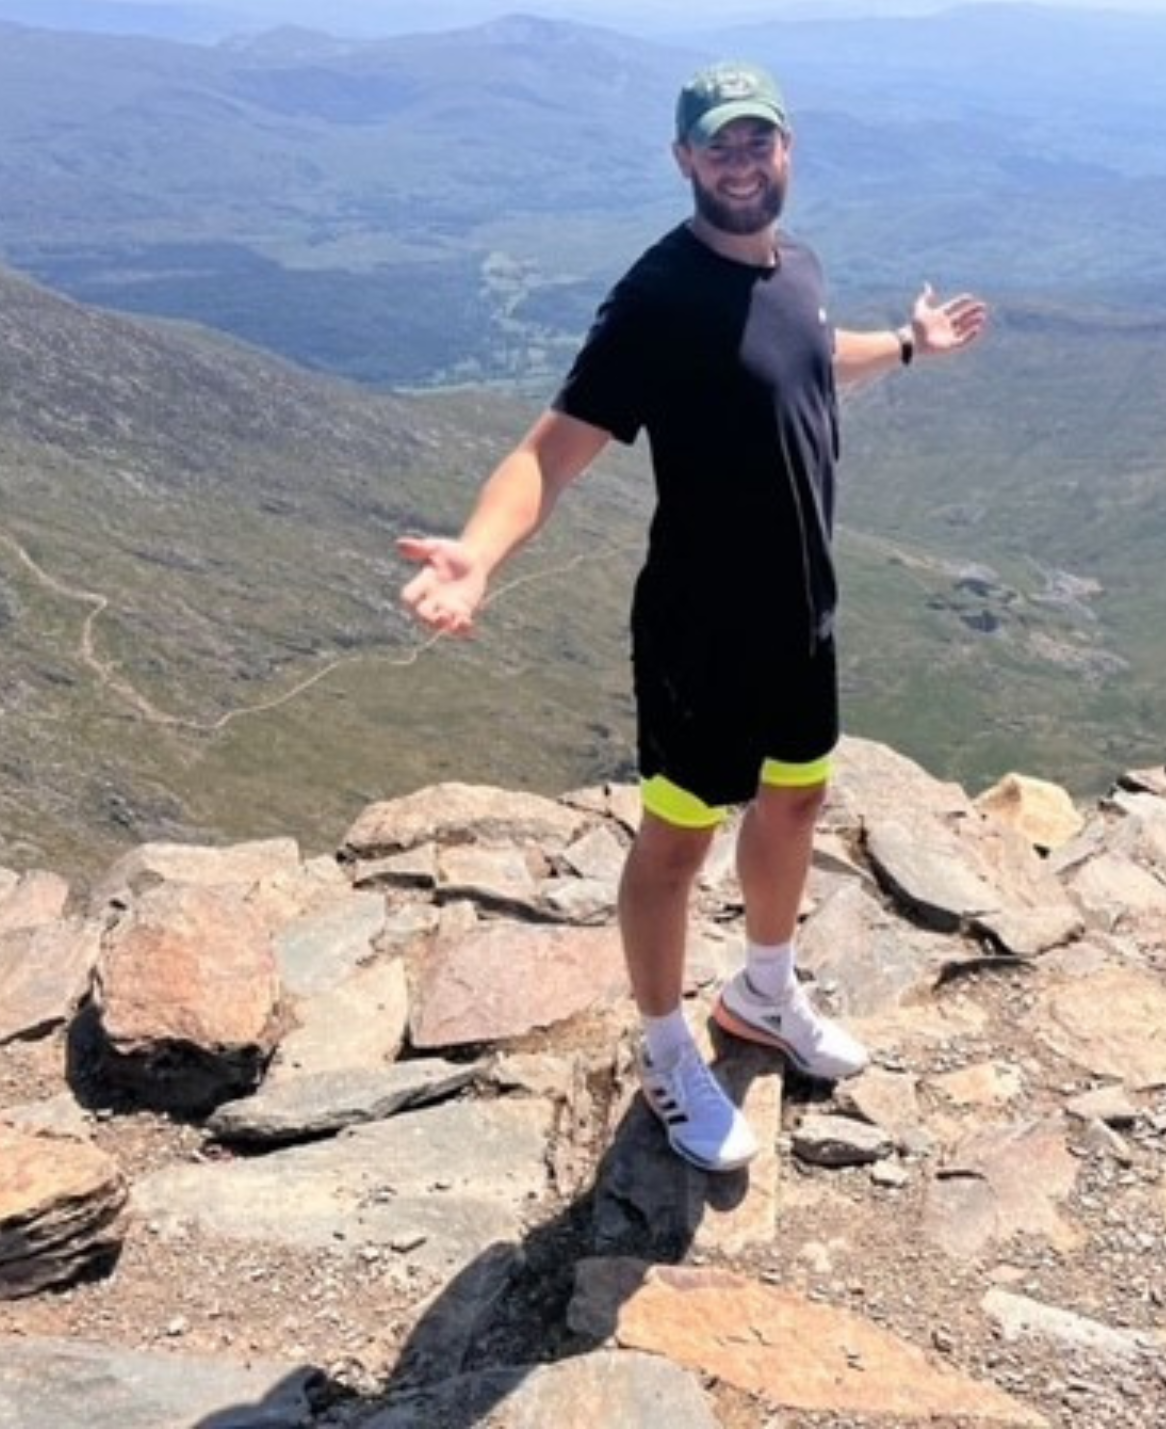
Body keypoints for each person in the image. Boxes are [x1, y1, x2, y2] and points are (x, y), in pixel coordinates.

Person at [397, 61, 988, 1173]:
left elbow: (812, 352)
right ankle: (668, 1049)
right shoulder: (660, 297)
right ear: (683, 160)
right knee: (676, 843)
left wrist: (907, 346)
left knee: (797, 799)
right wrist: (477, 552)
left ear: (787, 149)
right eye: (718, 143)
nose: (740, 159)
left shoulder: (796, 266)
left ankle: (764, 993)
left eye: (757, 140)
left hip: (803, 613)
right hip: (698, 635)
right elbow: (552, 448)